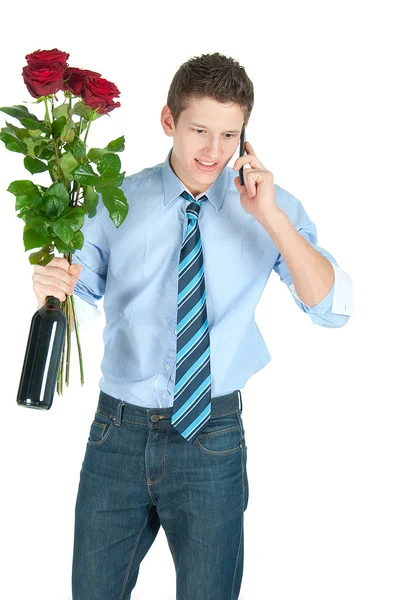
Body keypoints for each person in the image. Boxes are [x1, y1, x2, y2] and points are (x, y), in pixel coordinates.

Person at [32, 52, 354, 599]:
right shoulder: (116, 201)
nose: (214, 151)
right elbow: (79, 303)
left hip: (213, 435)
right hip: (117, 434)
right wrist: (53, 294)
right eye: (200, 130)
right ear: (168, 121)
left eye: (230, 135)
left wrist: (272, 218)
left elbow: (333, 307)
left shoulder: (269, 208)